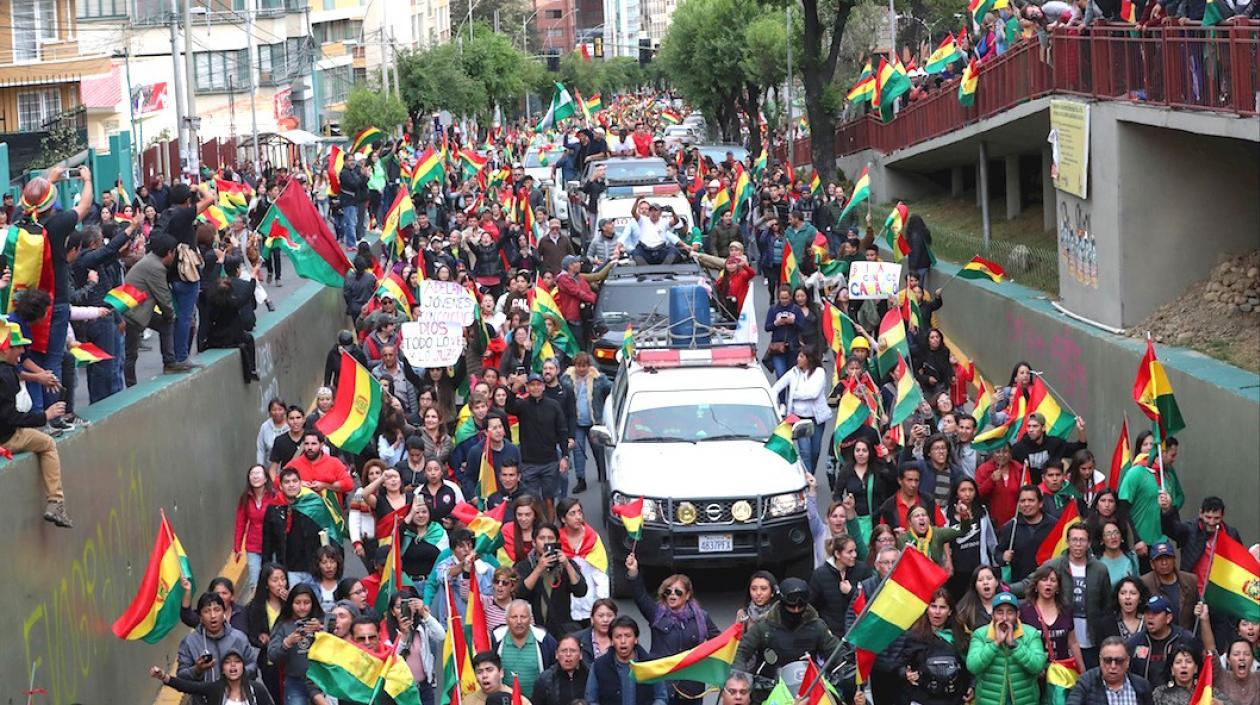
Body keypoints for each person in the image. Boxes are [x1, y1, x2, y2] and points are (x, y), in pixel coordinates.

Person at [0, 318, 73, 527]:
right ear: (5, 350)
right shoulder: (6, 376)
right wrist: (45, 416)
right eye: (18, 347)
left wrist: (39, 377)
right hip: (6, 438)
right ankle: (56, 502)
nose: (22, 351)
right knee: (48, 443)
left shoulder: (8, 371)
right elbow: (10, 418)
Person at [624, 553, 720, 705]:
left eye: (678, 592)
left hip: (691, 686)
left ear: (687, 595)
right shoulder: (656, 613)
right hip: (662, 684)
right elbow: (640, 596)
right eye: (668, 592)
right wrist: (633, 572)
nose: (672, 595)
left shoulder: (702, 617)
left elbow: (719, 642)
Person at [733, 577, 841, 700]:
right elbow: (742, 651)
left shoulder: (817, 626)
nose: (796, 610)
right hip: (770, 689)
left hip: (808, 689)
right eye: (791, 606)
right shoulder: (764, 626)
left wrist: (845, 665)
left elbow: (835, 651)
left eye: (800, 607)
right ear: (782, 603)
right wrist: (739, 675)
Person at [505, 372, 570, 519]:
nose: (535, 388)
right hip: (529, 462)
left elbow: (562, 431)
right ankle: (536, 529)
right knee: (533, 500)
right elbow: (509, 407)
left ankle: (550, 529)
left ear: (543, 386)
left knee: (549, 499)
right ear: (528, 387)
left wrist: (565, 456)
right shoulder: (522, 405)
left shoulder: (553, 406)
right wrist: (514, 389)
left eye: (538, 384)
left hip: (550, 461)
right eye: (532, 385)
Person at [965, 591, 1047, 705]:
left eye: (1010, 612)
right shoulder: (980, 634)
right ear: (993, 615)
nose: (1004, 618)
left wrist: (1014, 645)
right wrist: (995, 644)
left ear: (1017, 614)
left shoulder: (1031, 633)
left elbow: (1038, 666)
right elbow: (973, 666)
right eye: (999, 612)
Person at [176, 593, 261, 698]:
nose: (213, 615)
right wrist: (197, 670)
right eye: (207, 611)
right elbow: (181, 678)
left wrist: (237, 673)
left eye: (217, 610)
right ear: (200, 617)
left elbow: (253, 667)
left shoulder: (239, 638)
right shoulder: (190, 642)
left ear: (224, 612)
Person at [122, 234, 181, 381]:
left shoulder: (150, 260)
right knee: (131, 354)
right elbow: (164, 297)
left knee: (165, 324)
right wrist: (171, 314)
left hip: (135, 308)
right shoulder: (155, 267)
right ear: (169, 252)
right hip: (131, 313)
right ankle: (131, 386)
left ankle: (169, 361)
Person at [900, 589, 973, 705]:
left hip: (953, 700)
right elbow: (900, 664)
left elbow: (970, 668)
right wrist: (905, 673)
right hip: (923, 699)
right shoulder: (914, 636)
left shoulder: (960, 637)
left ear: (949, 611)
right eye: (933, 606)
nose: (937, 612)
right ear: (927, 609)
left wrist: (971, 686)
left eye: (942, 607)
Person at [514, 522, 588, 635]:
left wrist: (567, 565)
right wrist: (539, 568)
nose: (546, 542)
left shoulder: (567, 564)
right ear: (534, 543)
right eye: (542, 538)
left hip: (561, 629)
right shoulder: (524, 566)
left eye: (551, 538)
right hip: (532, 629)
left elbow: (581, 591)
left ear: (557, 542)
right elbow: (519, 593)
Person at [1017, 565, 1087, 676]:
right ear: (1036, 585)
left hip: (1060, 674)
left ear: (1058, 587)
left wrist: (1082, 670)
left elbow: (1073, 642)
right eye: (1044, 580)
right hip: (1033, 673)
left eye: (1053, 580)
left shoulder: (1066, 610)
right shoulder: (1024, 611)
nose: (1048, 583)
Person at [769, 347, 832, 474]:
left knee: (815, 451)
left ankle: (810, 474)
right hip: (798, 418)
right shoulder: (793, 372)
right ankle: (808, 481)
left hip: (816, 419)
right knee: (805, 452)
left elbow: (814, 393)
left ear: (809, 359)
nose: (798, 359)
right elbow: (775, 389)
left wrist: (795, 395)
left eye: (802, 357)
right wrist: (777, 407)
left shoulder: (819, 372)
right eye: (798, 356)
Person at [260, 468, 324, 586]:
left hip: (314, 569)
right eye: (287, 482)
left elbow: (326, 536)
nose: (291, 485)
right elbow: (267, 544)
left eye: (294, 481)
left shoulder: (314, 505)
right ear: (281, 486)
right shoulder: (273, 509)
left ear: (300, 483)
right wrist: (265, 573)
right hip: (288, 571)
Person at [585, 616, 667, 705]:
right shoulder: (599, 666)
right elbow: (591, 700)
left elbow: (661, 697)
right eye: (618, 636)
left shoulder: (651, 665)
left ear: (636, 639)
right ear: (612, 641)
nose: (623, 641)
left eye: (628, 636)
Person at [1127, 596, 1207, 686]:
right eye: (1147, 612)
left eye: (1155, 613)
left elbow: (1203, 666)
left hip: (1177, 696)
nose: (1150, 617)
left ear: (1168, 618)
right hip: (1144, 697)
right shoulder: (1135, 642)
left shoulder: (1185, 639)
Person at [383, 591, 445, 705]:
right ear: (392, 611)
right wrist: (403, 636)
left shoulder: (421, 627)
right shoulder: (387, 632)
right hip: (403, 690)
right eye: (398, 607)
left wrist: (424, 614)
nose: (403, 610)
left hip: (424, 687)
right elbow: (391, 660)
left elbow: (440, 635)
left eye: (408, 605)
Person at [266, 583, 324, 704]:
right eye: (297, 603)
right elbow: (272, 656)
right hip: (295, 682)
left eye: (306, 603)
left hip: (322, 680)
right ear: (290, 604)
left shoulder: (321, 620)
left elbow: (340, 642)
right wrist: (286, 643)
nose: (302, 607)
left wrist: (322, 629)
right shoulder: (283, 625)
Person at [149, 649, 275, 705]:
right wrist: (164, 677)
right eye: (227, 662)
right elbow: (189, 687)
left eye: (237, 661)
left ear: (243, 666)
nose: (232, 666)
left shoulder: (256, 689)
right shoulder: (215, 689)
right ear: (222, 670)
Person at [560, 353, 610, 492]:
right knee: (578, 452)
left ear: (589, 366)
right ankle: (581, 480)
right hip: (576, 423)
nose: (581, 369)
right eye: (578, 366)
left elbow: (611, 390)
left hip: (594, 422)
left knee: (598, 449)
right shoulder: (566, 380)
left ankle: (602, 474)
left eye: (584, 366)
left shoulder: (599, 380)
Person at [491, 600, 557, 696]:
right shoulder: (496, 639)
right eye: (514, 617)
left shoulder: (544, 639)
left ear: (530, 619)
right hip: (505, 700)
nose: (519, 621)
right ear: (507, 619)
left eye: (523, 617)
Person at [996, 486, 1059, 586]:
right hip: (1019, 585)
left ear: (1040, 503)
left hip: (1047, 584)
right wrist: (1003, 557)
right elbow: (998, 552)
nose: (1026, 504)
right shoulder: (1011, 527)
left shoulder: (1054, 525)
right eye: (1022, 501)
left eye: (1031, 500)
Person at [809, 535, 871, 637]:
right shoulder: (820, 574)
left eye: (855, 550)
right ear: (837, 554)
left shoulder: (862, 569)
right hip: (832, 635)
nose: (855, 555)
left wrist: (852, 592)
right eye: (849, 552)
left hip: (859, 631)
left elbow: (870, 599)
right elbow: (812, 606)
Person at [1066, 636, 1156, 705]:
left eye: (1119, 661)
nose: (1113, 666)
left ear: (1127, 661)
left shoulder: (1142, 686)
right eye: (1107, 661)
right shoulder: (1086, 683)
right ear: (1100, 660)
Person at [1141, 542, 1204, 631]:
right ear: (1152, 564)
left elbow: (1197, 612)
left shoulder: (1190, 580)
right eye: (1159, 559)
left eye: (1168, 558)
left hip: (1185, 636)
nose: (1164, 562)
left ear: (1174, 560)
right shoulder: (1144, 583)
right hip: (1157, 636)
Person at [532, 634, 589, 705]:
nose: (568, 654)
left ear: (580, 655)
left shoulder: (590, 676)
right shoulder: (545, 680)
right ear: (556, 654)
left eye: (573, 651)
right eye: (564, 651)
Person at [763, 285, 805, 380]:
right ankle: (781, 395)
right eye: (782, 298)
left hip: (793, 348)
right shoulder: (773, 309)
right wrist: (776, 323)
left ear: (790, 297)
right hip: (778, 348)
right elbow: (767, 327)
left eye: (786, 298)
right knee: (781, 376)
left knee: (792, 377)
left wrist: (793, 322)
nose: (784, 301)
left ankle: (791, 395)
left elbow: (802, 327)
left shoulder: (796, 309)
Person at [468, 651, 533, 705]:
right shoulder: (468, 702)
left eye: (489, 670)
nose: (484, 675)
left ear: (501, 673)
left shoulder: (519, 701)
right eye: (479, 672)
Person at [1217, 637, 1260, 705]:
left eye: (1247, 654)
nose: (1242, 658)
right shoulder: (1221, 677)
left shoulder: (1258, 678)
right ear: (1228, 660)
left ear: (1252, 659)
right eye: (1236, 654)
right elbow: (1211, 651)